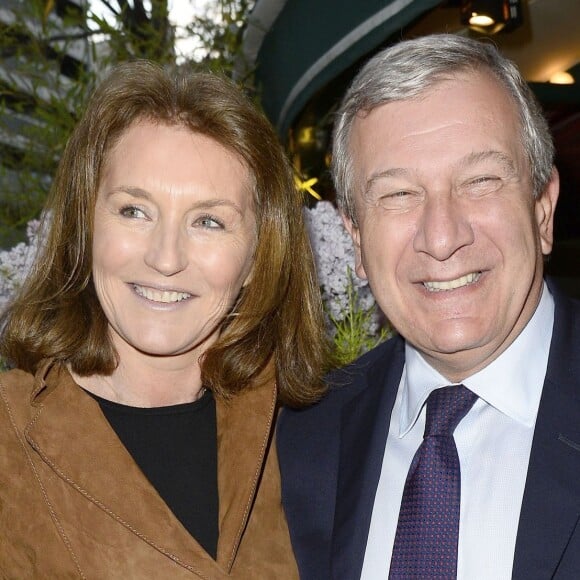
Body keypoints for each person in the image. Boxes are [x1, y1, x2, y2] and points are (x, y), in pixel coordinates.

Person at [0, 59, 329, 577]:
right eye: (134, 210)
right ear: (85, 224)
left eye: (208, 221)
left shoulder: (308, 437)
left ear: (258, 256)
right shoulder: (9, 437)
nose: (166, 257)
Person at [277, 33, 580, 580]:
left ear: (542, 211)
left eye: (480, 181)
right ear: (355, 239)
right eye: (398, 194)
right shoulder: (297, 445)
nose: (441, 238)